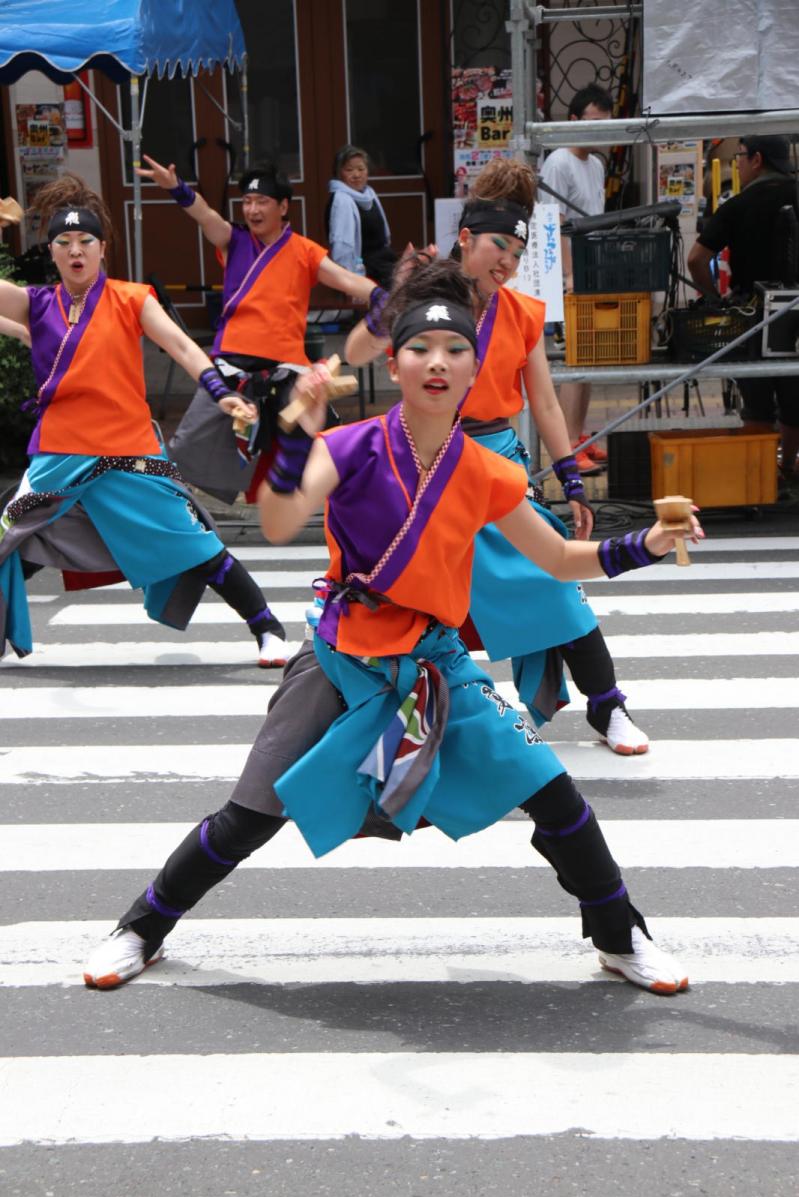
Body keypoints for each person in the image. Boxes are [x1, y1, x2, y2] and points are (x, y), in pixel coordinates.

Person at [84, 260, 697, 996]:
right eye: (419, 349)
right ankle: (142, 927)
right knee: (250, 813)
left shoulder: (488, 472)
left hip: (433, 665)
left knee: (553, 794)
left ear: (475, 366)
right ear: (397, 362)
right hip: (340, 655)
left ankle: (619, 935)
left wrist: (648, 548)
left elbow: (561, 559)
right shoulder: (348, 447)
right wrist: (291, 434)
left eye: (455, 351)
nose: (437, 363)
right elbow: (276, 520)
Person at [346, 159, 651, 756]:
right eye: (496, 246)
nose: (506, 261)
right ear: (466, 240)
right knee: (408, 599)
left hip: (496, 466)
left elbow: (544, 403)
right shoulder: (428, 298)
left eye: (516, 250)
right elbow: (359, 350)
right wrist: (394, 292)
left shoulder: (521, 315)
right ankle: (395, 721)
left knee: (556, 582)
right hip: (426, 463)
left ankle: (608, 706)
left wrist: (574, 482)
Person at [0, 175, 288, 667]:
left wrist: (219, 391)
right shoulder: (37, 305)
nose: (75, 252)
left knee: (190, 536)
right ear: (51, 252)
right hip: (60, 452)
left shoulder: (132, 299)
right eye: (64, 243)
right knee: (14, 539)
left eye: (85, 242)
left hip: (126, 451)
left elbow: (179, 345)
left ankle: (267, 627)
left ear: (103, 248)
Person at [135, 154, 377, 508]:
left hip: (289, 368)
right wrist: (177, 188)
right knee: (185, 447)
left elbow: (343, 278)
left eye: (261, 201)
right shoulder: (233, 241)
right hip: (230, 367)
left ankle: (352, 509)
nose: (252, 210)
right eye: (247, 202)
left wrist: (382, 294)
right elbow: (205, 216)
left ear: (282, 206)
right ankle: (177, 515)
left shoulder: (304, 251)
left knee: (327, 444)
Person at [687, 134, 799, 488]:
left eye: (740, 156)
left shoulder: (737, 205)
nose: (737, 162)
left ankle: (762, 476)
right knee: (795, 397)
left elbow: (696, 260)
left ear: (757, 159)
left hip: (753, 316)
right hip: (797, 314)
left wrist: (714, 299)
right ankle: (789, 468)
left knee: (758, 399)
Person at [540, 83, 614, 472]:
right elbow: (556, 224)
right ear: (573, 121)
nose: (598, 131)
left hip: (592, 267)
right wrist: (568, 275)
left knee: (590, 356)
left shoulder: (596, 164)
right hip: (569, 271)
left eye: (605, 124)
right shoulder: (558, 162)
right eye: (593, 122)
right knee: (575, 358)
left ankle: (581, 434)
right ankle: (568, 444)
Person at [325, 144, 397, 289]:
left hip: (384, 264)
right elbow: (342, 250)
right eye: (349, 170)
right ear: (340, 173)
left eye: (361, 169)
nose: (356, 174)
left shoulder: (369, 194)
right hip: (365, 272)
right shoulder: (341, 201)